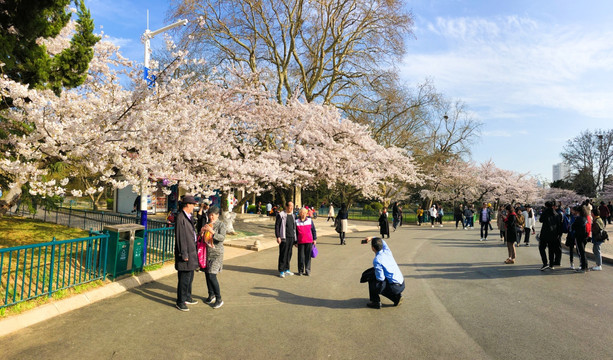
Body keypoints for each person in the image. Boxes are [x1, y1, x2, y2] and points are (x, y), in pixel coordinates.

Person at [361, 237, 405, 309]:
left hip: (395, 287)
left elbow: (380, 278)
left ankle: (375, 302)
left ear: (373, 248)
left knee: (372, 278)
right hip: (402, 283)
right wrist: (372, 237)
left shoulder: (377, 260)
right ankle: (396, 298)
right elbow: (382, 241)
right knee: (378, 276)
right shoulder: (387, 251)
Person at [174, 195, 199, 312]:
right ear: (187, 205)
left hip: (192, 251)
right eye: (193, 204)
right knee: (184, 278)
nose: (194, 207)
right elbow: (180, 238)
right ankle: (180, 301)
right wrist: (184, 254)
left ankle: (188, 296)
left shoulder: (188, 216)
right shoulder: (180, 218)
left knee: (190, 277)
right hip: (186, 253)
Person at [202, 205, 226, 309]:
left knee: (212, 275)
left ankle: (219, 298)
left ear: (217, 215)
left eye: (213, 215)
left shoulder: (221, 225)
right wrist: (202, 232)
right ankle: (211, 294)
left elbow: (222, 238)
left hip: (217, 253)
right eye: (209, 215)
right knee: (207, 275)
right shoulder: (207, 224)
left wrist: (212, 232)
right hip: (207, 253)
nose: (211, 217)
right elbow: (203, 239)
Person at [539, 201, 562, 271]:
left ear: (546, 206)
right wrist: (558, 234)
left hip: (545, 234)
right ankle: (551, 264)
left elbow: (540, 220)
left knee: (541, 248)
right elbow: (559, 225)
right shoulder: (557, 214)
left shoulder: (545, 212)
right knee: (551, 249)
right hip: (554, 234)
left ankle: (545, 263)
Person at [275, 201, 297, 277]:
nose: (291, 208)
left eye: (292, 207)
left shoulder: (293, 216)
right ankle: (281, 270)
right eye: (290, 206)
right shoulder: (281, 215)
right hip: (284, 237)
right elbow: (277, 226)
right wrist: (278, 236)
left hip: (291, 237)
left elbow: (294, 227)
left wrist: (295, 239)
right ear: (286, 207)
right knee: (283, 254)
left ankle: (287, 269)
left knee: (289, 254)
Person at [295, 208, 317, 276]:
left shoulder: (310, 221)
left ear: (306, 213)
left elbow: (313, 230)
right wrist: (295, 242)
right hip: (300, 241)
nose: (303, 214)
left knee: (308, 256)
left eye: (304, 212)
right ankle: (300, 270)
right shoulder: (296, 221)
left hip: (309, 241)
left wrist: (314, 239)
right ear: (299, 213)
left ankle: (307, 270)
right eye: (302, 212)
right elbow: (295, 233)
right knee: (301, 257)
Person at [573, 205, 589, 273]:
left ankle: (583, 268)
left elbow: (573, 226)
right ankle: (586, 266)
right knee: (583, 252)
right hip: (585, 237)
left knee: (581, 252)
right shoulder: (586, 218)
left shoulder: (579, 218)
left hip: (579, 237)